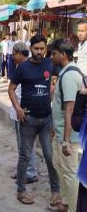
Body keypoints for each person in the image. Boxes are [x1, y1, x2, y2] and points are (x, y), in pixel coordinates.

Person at [8, 35, 60, 206]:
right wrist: (18, 109)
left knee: (50, 156)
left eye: (42, 49)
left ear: (46, 49)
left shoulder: (50, 64)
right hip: (28, 120)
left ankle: (56, 192)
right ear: (30, 49)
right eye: (36, 49)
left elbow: (55, 81)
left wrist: (52, 91)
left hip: (46, 120)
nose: (39, 52)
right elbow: (11, 89)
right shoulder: (22, 68)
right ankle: (21, 191)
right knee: (24, 156)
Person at [51, 39, 83, 212]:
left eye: (54, 54)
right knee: (59, 166)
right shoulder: (65, 72)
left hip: (68, 136)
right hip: (61, 132)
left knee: (70, 172)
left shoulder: (70, 75)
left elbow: (69, 110)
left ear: (63, 55)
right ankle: (65, 202)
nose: (51, 57)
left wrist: (66, 142)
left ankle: (72, 207)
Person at [9, 42, 38, 183]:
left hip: (24, 111)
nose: (13, 57)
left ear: (20, 53)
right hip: (18, 110)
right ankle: (23, 170)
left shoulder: (28, 67)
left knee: (27, 144)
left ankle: (30, 172)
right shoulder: (20, 67)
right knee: (22, 144)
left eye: (14, 54)